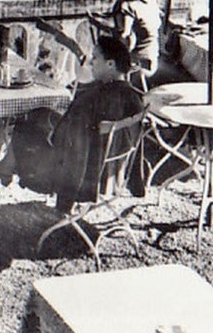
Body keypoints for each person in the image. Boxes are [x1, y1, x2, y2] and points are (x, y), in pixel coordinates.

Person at [16, 31, 146, 212]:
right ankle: (3, 168)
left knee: (25, 124)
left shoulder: (90, 99)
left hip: (83, 173)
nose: (91, 62)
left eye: (95, 58)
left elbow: (64, 141)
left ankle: (4, 169)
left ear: (110, 64)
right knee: (44, 114)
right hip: (112, 170)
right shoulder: (135, 98)